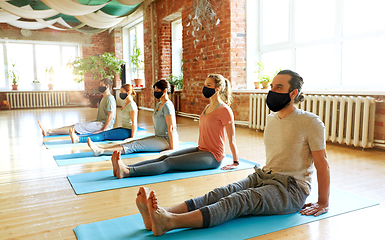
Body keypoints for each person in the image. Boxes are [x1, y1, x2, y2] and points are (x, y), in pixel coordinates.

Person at [134, 70, 330, 236]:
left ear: (293, 92)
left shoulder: (310, 122)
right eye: (271, 86)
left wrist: (323, 202)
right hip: (264, 176)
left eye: (278, 87)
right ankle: (160, 213)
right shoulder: (271, 120)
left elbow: (322, 163)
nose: (272, 91)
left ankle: (169, 222)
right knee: (221, 192)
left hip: (291, 189)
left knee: (238, 200)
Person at [110, 74, 240, 179]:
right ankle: (128, 166)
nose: (205, 87)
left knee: (169, 163)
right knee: (165, 157)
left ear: (217, 88)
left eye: (209, 85)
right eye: (205, 84)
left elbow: (232, 138)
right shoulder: (207, 107)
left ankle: (127, 172)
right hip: (201, 149)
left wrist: (235, 162)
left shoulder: (225, 110)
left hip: (213, 156)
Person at [86, 79, 179, 157]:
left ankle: (101, 151)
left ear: (165, 91)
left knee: (135, 145)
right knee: (133, 142)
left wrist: (172, 148)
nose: (155, 92)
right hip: (159, 137)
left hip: (167, 140)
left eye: (157, 90)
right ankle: (101, 149)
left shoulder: (167, 105)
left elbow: (171, 127)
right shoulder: (159, 104)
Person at [38, 78, 116, 136]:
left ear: (107, 86)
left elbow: (110, 116)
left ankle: (49, 132)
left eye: (101, 85)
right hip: (98, 122)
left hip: (103, 125)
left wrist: (103, 130)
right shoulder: (104, 98)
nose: (99, 86)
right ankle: (50, 130)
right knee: (76, 125)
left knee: (77, 128)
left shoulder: (110, 99)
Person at [68, 84, 138, 143]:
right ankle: (78, 138)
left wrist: (132, 137)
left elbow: (134, 122)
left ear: (128, 93)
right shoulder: (126, 103)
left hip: (128, 131)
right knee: (103, 133)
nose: (120, 94)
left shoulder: (132, 105)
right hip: (124, 129)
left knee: (104, 135)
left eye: (122, 92)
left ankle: (78, 139)